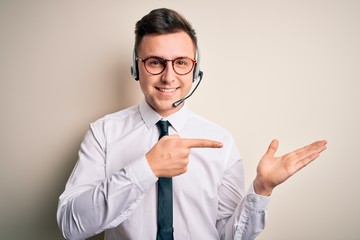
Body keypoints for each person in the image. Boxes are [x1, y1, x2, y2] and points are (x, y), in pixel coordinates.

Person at [57, 8, 327, 240]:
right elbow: (71, 226)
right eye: (155, 62)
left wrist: (262, 190)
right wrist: (146, 168)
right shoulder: (103, 133)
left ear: (195, 70)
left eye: (181, 63)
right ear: (135, 66)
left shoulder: (221, 141)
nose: (168, 76)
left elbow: (228, 236)